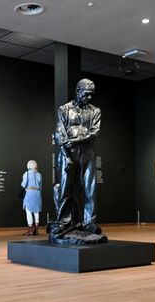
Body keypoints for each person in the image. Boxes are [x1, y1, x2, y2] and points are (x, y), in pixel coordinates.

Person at [50, 78, 103, 243]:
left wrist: (76, 140)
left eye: (91, 95)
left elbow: (95, 132)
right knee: (66, 188)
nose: (89, 98)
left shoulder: (95, 111)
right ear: (78, 91)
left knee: (90, 188)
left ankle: (89, 222)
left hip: (87, 153)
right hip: (68, 153)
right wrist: (67, 153)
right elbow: (60, 133)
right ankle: (63, 220)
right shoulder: (64, 110)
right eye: (86, 94)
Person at [21, 160, 42, 235]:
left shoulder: (26, 174)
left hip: (29, 193)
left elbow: (23, 185)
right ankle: (36, 229)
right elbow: (41, 186)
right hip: (37, 193)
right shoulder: (39, 174)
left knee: (28, 211)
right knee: (36, 211)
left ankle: (30, 230)